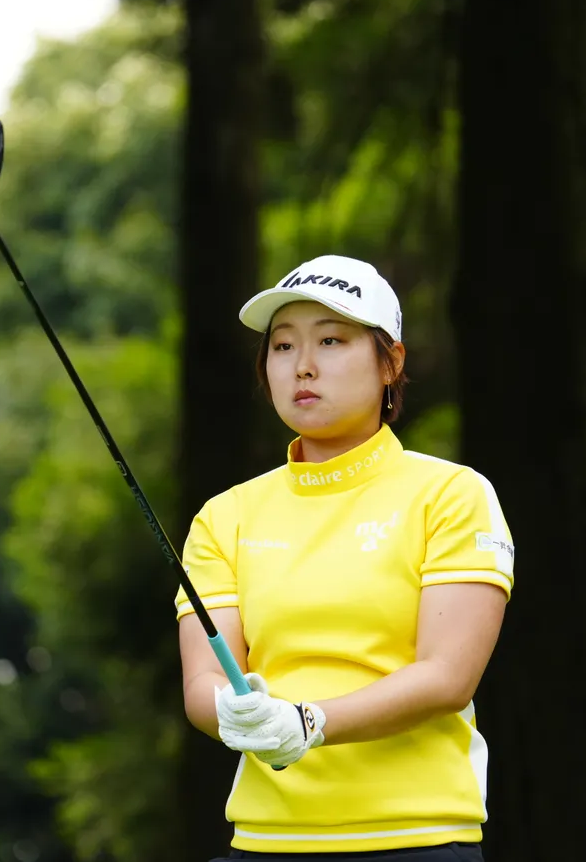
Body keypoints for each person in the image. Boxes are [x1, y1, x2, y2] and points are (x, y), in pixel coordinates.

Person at [174, 254, 515, 861]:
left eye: (331, 341)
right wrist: (231, 709)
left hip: (417, 841)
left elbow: (446, 676)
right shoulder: (225, 516)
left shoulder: (451, 494)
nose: (302, 365)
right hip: (265, 843)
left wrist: (309, 722)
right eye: (283, 346)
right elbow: (203, 682)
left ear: (391, 362)